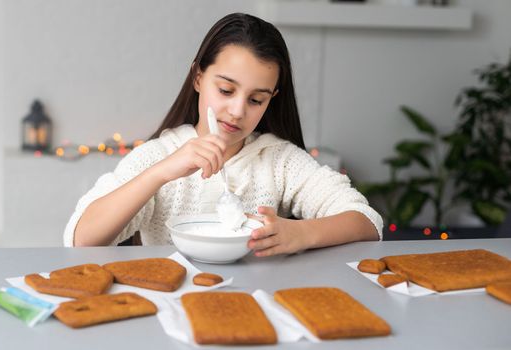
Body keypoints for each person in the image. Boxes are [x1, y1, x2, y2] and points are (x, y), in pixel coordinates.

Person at [64, 13, 383, 256]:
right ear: (198, 77)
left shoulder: (280, 161)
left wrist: (301, 234)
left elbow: (367, 222)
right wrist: (159, 174)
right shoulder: (158, 156)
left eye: (256, 99)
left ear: (271, 99)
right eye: (226, 89)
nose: (237, 110)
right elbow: (82, 240)